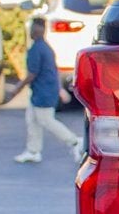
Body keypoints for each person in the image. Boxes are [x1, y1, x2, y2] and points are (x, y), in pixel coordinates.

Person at [5, 15, 84, 164]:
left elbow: (32, 74)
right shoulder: (45, 48)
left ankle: (74, 141)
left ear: (38, 31)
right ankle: (33, 150)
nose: (31, 32)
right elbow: (53, 70)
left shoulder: (37, 50)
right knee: (32, 120)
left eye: (33, 29)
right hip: (41, 91)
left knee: (46, 120)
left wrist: (17, 88)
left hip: (44, 92)